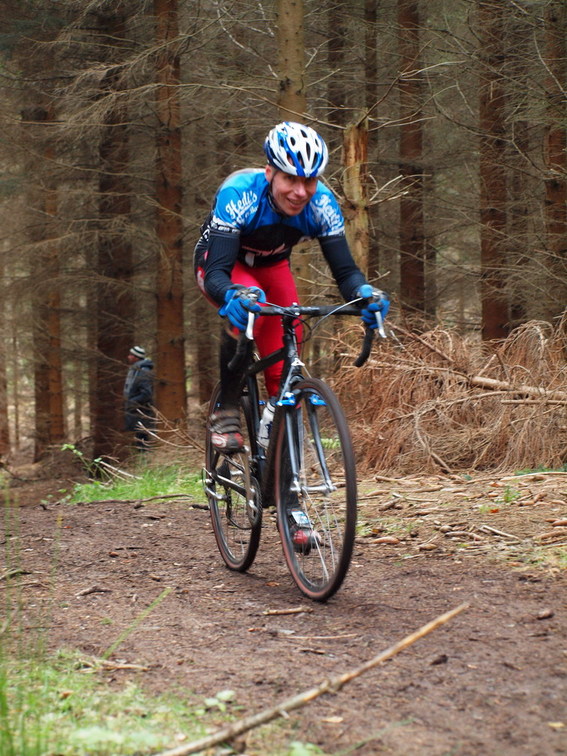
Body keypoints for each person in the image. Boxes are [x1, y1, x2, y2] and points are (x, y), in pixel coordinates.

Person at [194, 121, 389, 452]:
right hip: (224, 264)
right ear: (270, 173)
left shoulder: (322, 204)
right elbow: (216, 274)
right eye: (290, 179)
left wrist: (365, 294)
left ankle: (282, 455)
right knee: (252, 308)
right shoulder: (239, 193)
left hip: (272, 266)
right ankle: (226, 408)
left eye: (309, 181)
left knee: (287, 349)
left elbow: (346, 273)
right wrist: (231, 294)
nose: (300, 192)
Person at [123, 346, 155, 451]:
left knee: (142, 439)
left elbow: (146, 393)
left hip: (142, 411)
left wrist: (131, 402)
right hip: (136, 410)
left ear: (136, 357)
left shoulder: (143, 371)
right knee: (139, 437)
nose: (128, 357)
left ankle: (145, 458)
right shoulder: (136, 369)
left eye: (131, 355)